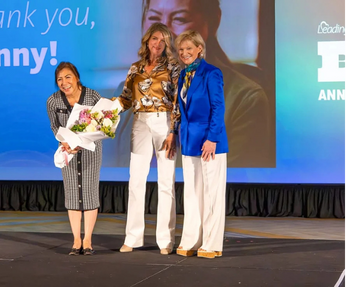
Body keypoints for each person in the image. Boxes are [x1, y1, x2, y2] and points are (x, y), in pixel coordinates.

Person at [105, 0, 273, 168]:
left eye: (180, 19)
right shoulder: (128, 90)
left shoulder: (245, 101)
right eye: (154, 19)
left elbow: (231, 186)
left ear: (213, 22)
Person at [115, 23, 181, 255]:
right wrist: (105, 112)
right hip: (140, 122)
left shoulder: (173, 67)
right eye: (155, 38)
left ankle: (166, 240)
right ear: (147, 40)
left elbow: (177, 102)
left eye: (163, 40)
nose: (158, 44)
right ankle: (132, 238)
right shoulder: (135, 68)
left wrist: (173, 131)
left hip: (164, 122)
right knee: (136, 181)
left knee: (166, 181)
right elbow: (124, 99)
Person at [174, 30, 228, 259]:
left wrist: (212, 139)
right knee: (192, 193)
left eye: (189, 48)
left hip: (210, 141)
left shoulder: (212, 73)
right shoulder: (182, 75)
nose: (184, 53)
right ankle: (191, 241)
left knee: (212, 193)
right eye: (181, 49)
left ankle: (212, 243)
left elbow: (218, 108)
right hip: (188, 140)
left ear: (199, 49)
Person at [46, 62, 103, 255]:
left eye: (67, 77)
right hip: (67, 151)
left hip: (90, 151)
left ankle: (87, 240)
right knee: (72, 192)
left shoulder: (93, 96)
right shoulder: (53, 101)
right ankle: (76, 240)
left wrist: (83, 140)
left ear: (76, 77)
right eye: (59, 79)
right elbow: (55, 127)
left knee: (89, 192)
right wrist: (66, 143)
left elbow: (101, 124)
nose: (64, 82)